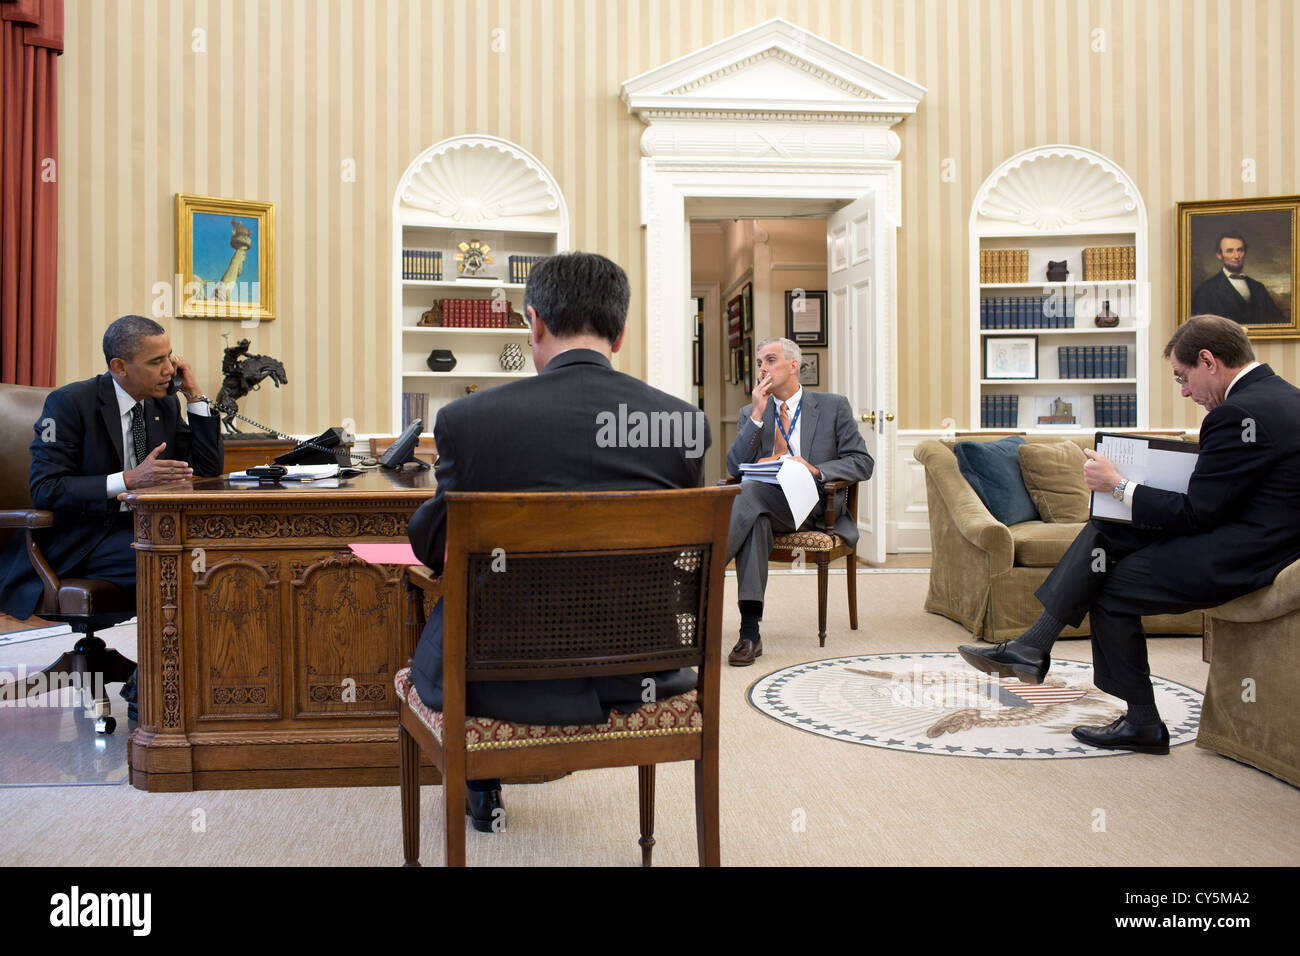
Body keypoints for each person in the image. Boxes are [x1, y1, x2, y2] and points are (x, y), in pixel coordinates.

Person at [405, 251, 710, 833]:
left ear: (535, 322)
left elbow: (432, 545)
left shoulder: (470, 421)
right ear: (619, 335)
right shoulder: (682, 425)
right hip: (640, 672)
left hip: (493, 679)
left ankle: (480, 788)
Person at [959, 315, 1300, 754]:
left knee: (1109, 586)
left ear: (1208, 360)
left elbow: (1197, 513)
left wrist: (1119, 485)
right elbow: (1227, 494)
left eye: (1183, 377)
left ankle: (1139, 720)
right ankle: (1031, 645)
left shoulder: (1236, 414)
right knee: (1109, 525)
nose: (1184, 391)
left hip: (1246, 555)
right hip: (1264, 541)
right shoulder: (1283, 397)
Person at [0, 315, 223, 708]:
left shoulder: (164, 404)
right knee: (180, 563)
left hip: (141, 532)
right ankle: (151, 690)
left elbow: (206, 469)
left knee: (206, 559)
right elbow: (46, 489)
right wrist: (127, 480)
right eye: (157, 361)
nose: (169, 369)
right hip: (77, 541)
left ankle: (174, 682)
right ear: (119, 367)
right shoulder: (69, 404)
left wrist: (196, 398)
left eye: (170, 358)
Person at [724, 337, 874, 666]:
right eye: (760, 361)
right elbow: (734, 467)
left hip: (815, 508)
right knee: (755, 517)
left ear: (793, 366)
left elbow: (863, 462)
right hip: (767, 506)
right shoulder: (751, 412)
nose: (762, 367)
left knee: (749, 496)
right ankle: (750, 633)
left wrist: (816, 469)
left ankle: (699, 574)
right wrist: (759, 416)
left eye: (770, 359)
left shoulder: (833, 406)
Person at [1189, 230, 1287, 325]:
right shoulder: (1206, 290)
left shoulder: (1258, 288)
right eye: (1230, 251)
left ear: (1245, 253)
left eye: (1240, 250)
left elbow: (1278, 322)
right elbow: (1201, 329)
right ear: (1219, 255)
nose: (1236, 256)